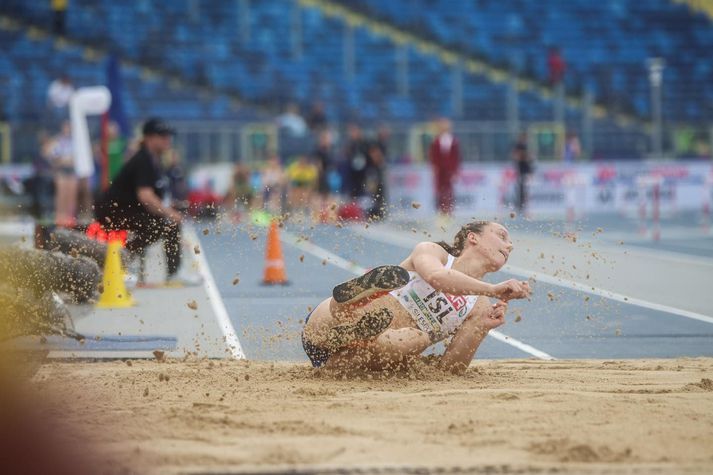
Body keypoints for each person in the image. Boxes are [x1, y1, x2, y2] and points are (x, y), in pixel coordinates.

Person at [301, 221, 531, 374]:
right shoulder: (433, 252)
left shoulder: (479, 307)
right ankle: (353, 305)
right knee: (366, 308)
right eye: (502, 236)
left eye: (510, 243)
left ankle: (357, 339)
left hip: (357, 358)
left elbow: (450, 369)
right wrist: (492, 289)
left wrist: (482, 328)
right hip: (324, 328)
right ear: (473, 238)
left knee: (416, 339)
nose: (509, 245)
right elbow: (436, 277)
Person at [94, 118, 201, 286]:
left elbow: (153, 194)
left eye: (168, 136)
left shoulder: (154, 160)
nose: (168, 140)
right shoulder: (143, 159)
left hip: (128, 209)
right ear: (149, 138)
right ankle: (118, 265)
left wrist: (170, 208)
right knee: (165, 223)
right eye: (162, 135)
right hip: (112, 211)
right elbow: (145, 196)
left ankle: (172, 272)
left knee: (166, 222)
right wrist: (169, 212)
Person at [47, 121, 78, 227]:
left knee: (71, 194)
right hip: (62, 170)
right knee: (61, 193)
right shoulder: (58, 141)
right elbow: (53, 156)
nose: (67, 129)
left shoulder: (76, 141)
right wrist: (62, 161)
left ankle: (70, 217)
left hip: (72, 170)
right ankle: (60, 216)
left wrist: (70, 160)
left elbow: (78, 158)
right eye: (66, 127)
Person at [429, 118, 460, 218]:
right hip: (440, 170)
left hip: (449, 170)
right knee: (439, 190)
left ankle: (449, 211)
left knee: (449, 191)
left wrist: (455, 171)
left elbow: (456, 157)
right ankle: (440, 212)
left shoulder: (454, 141)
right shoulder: (436, 141)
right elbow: (434, 156)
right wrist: (434, 167)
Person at [511, 132, 533, 212]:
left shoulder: (525, 146)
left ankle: (523, 205)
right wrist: (525, 156)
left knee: (525, 188)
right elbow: (516, 156)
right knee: (521, 188)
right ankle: (521, 205)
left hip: (525, 170)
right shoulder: (519, 146)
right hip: (522, 171)